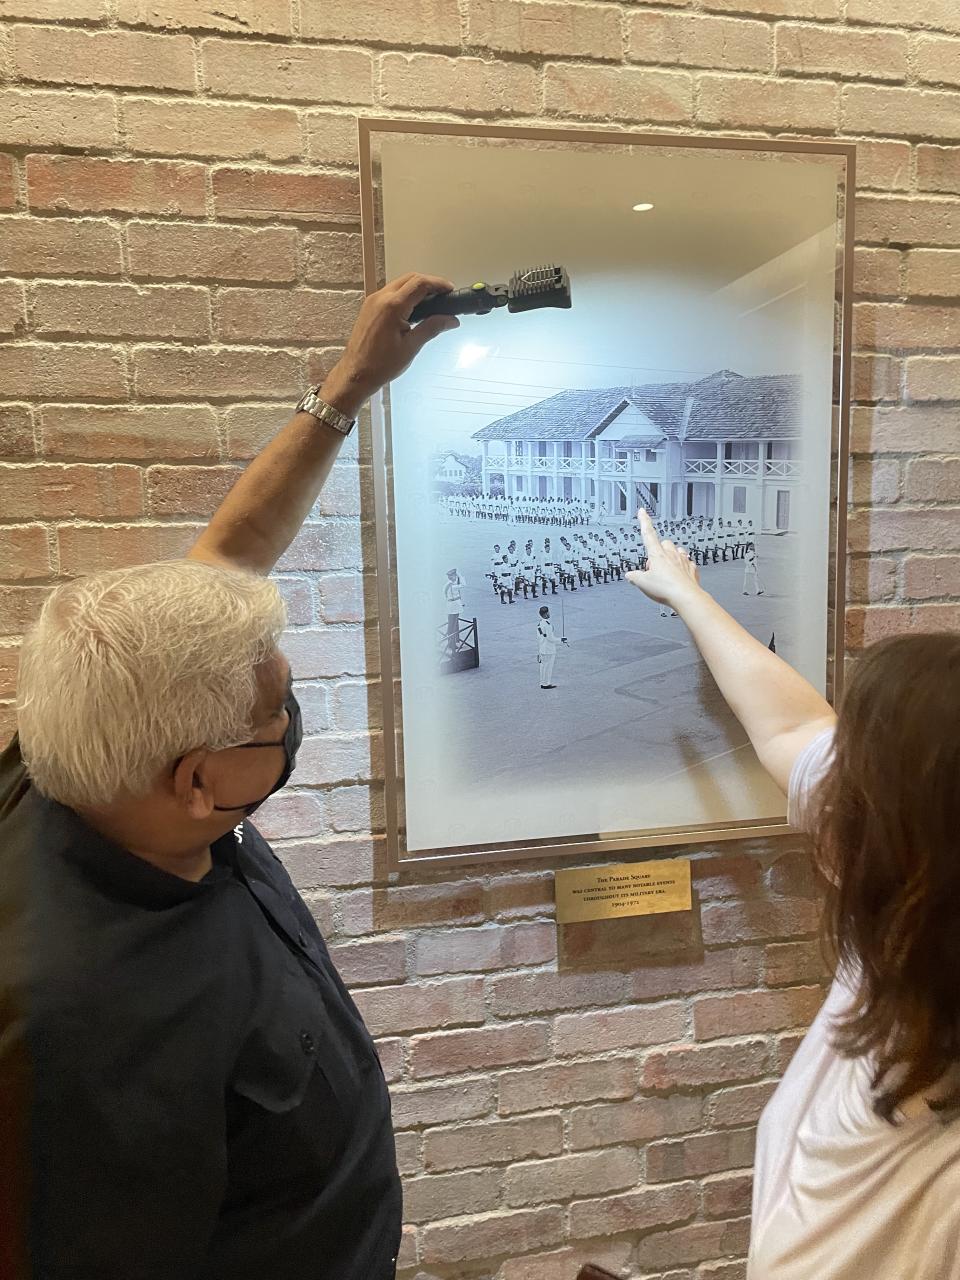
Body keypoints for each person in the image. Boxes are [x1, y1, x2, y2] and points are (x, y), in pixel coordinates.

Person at [0, 272, 460, 1280]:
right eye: (276, 713)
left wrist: (351, 382)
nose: (291, 721)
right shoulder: (89, 1033)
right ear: (199, 782)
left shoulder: (74, 749)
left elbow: (231, 553)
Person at [626, 508, 960, 1280]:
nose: (827, 788)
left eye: (855, 780)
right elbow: (790, 725)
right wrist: (686, 593)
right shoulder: (902, 966)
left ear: (906, 856)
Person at [536, 605, 567, 690]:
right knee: (548, 667)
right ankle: (546, 683)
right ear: (546, 614)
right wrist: (561, 639)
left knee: (543, 667)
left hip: (542, 648)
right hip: (549, 650)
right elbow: (550, 638)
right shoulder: (548, 625)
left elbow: (540, 636)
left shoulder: (540, 623)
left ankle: (542, 682)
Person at [444, 567, 466, 652]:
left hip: (450, 606)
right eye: (454, 576)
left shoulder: (447, 584)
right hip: (454, 607)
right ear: (452, 577)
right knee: (453, 626)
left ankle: (453, 641)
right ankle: (451, 643)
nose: (455, 577)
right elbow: (464, 584)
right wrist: (460, 575)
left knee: (452, 624)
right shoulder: (453, 586)